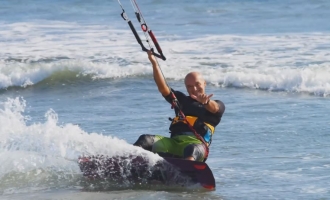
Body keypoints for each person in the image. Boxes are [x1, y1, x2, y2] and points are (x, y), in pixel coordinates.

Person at [133, 51, 225, 162]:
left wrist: (206, 102)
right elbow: (163, 89)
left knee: (191, 149)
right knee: (145, 139)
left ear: (204, 83)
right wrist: (154, 63)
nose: (194, 89)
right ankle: (128, 162)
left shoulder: (216, 104)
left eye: (197, 84)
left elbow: (215, 108)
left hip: (197, 146)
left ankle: (187, 171)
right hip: (174, 144)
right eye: (190, 86)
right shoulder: (181, 101)